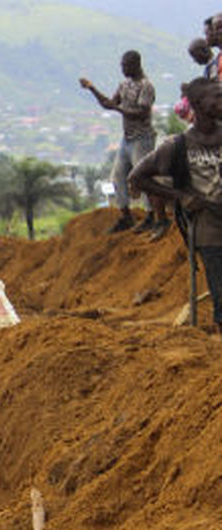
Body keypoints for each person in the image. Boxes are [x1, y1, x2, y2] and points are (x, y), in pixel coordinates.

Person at [131, 77, 222, 333]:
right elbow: (137, 178)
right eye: (216, 96)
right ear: (198, 104)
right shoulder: (178, 146)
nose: (221, 100)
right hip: (210, 232)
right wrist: (180, 197)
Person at [80, 52, 165, 238]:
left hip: (142, 138)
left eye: (126, 66)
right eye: (122, 66)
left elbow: (142, 113)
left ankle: (153, 217)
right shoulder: (124, 84)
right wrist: (92, 89)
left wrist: (117, 108)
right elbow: (109, 103)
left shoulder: (146, 86)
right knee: (118, 177)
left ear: (136, 64)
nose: (123, 69)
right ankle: (126, 216)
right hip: (127, 138)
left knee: (142, 178)